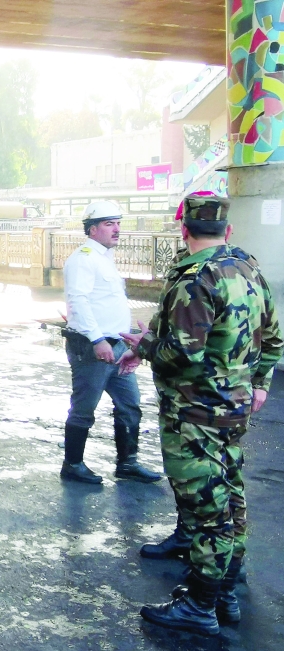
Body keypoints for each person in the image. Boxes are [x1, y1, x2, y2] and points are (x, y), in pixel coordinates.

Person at [120, 193, 283, 636]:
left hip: (195, 413)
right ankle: (226, 589)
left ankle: (200, 606)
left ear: (185, 229)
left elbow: (182, 355)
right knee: (230, 495)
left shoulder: (197, 278)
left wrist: (144, 346)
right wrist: (261, 385)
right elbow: (275, 337)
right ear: (226, 230)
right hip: (233, 408)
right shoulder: (247, 268)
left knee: (205, 510)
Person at [58, 200, 161, 484]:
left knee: (130, 404)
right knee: (84, 408)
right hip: (92, 348)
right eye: (108, 224)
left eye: (118, 223)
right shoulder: (84, 259)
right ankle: (73, 464)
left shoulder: (104, 257)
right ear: (92, 229)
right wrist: (97, 339)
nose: (117, 229)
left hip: (117, 346)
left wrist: (126, 342)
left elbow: (106, 304)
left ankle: (127, 463)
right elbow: (77, 301)